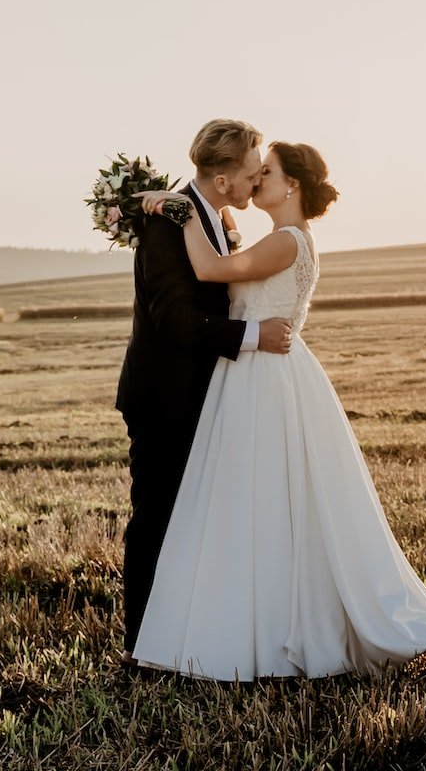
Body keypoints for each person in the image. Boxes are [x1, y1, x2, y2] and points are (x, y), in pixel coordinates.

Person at [131, 140, 426, 679]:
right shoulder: (280, 239)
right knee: (263, 503)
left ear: (292, 185)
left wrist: (181, 211)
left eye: (267, 173)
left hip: (267, 379)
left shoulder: (286, 242)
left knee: (267, 499)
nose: (257, 180)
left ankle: (267, 629)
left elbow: (210, 273)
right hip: (255, 374)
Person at [113, 119, 294, 657]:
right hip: (165, 398)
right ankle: (142, 644)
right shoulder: (170, 222)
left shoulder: (212, 216)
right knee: (157, 518)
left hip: (205, 395)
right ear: (222, 182)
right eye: (250, 171)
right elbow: (173, 318)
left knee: (196, 518)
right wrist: (253, 335)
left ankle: (186, 633)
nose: (257, 178)